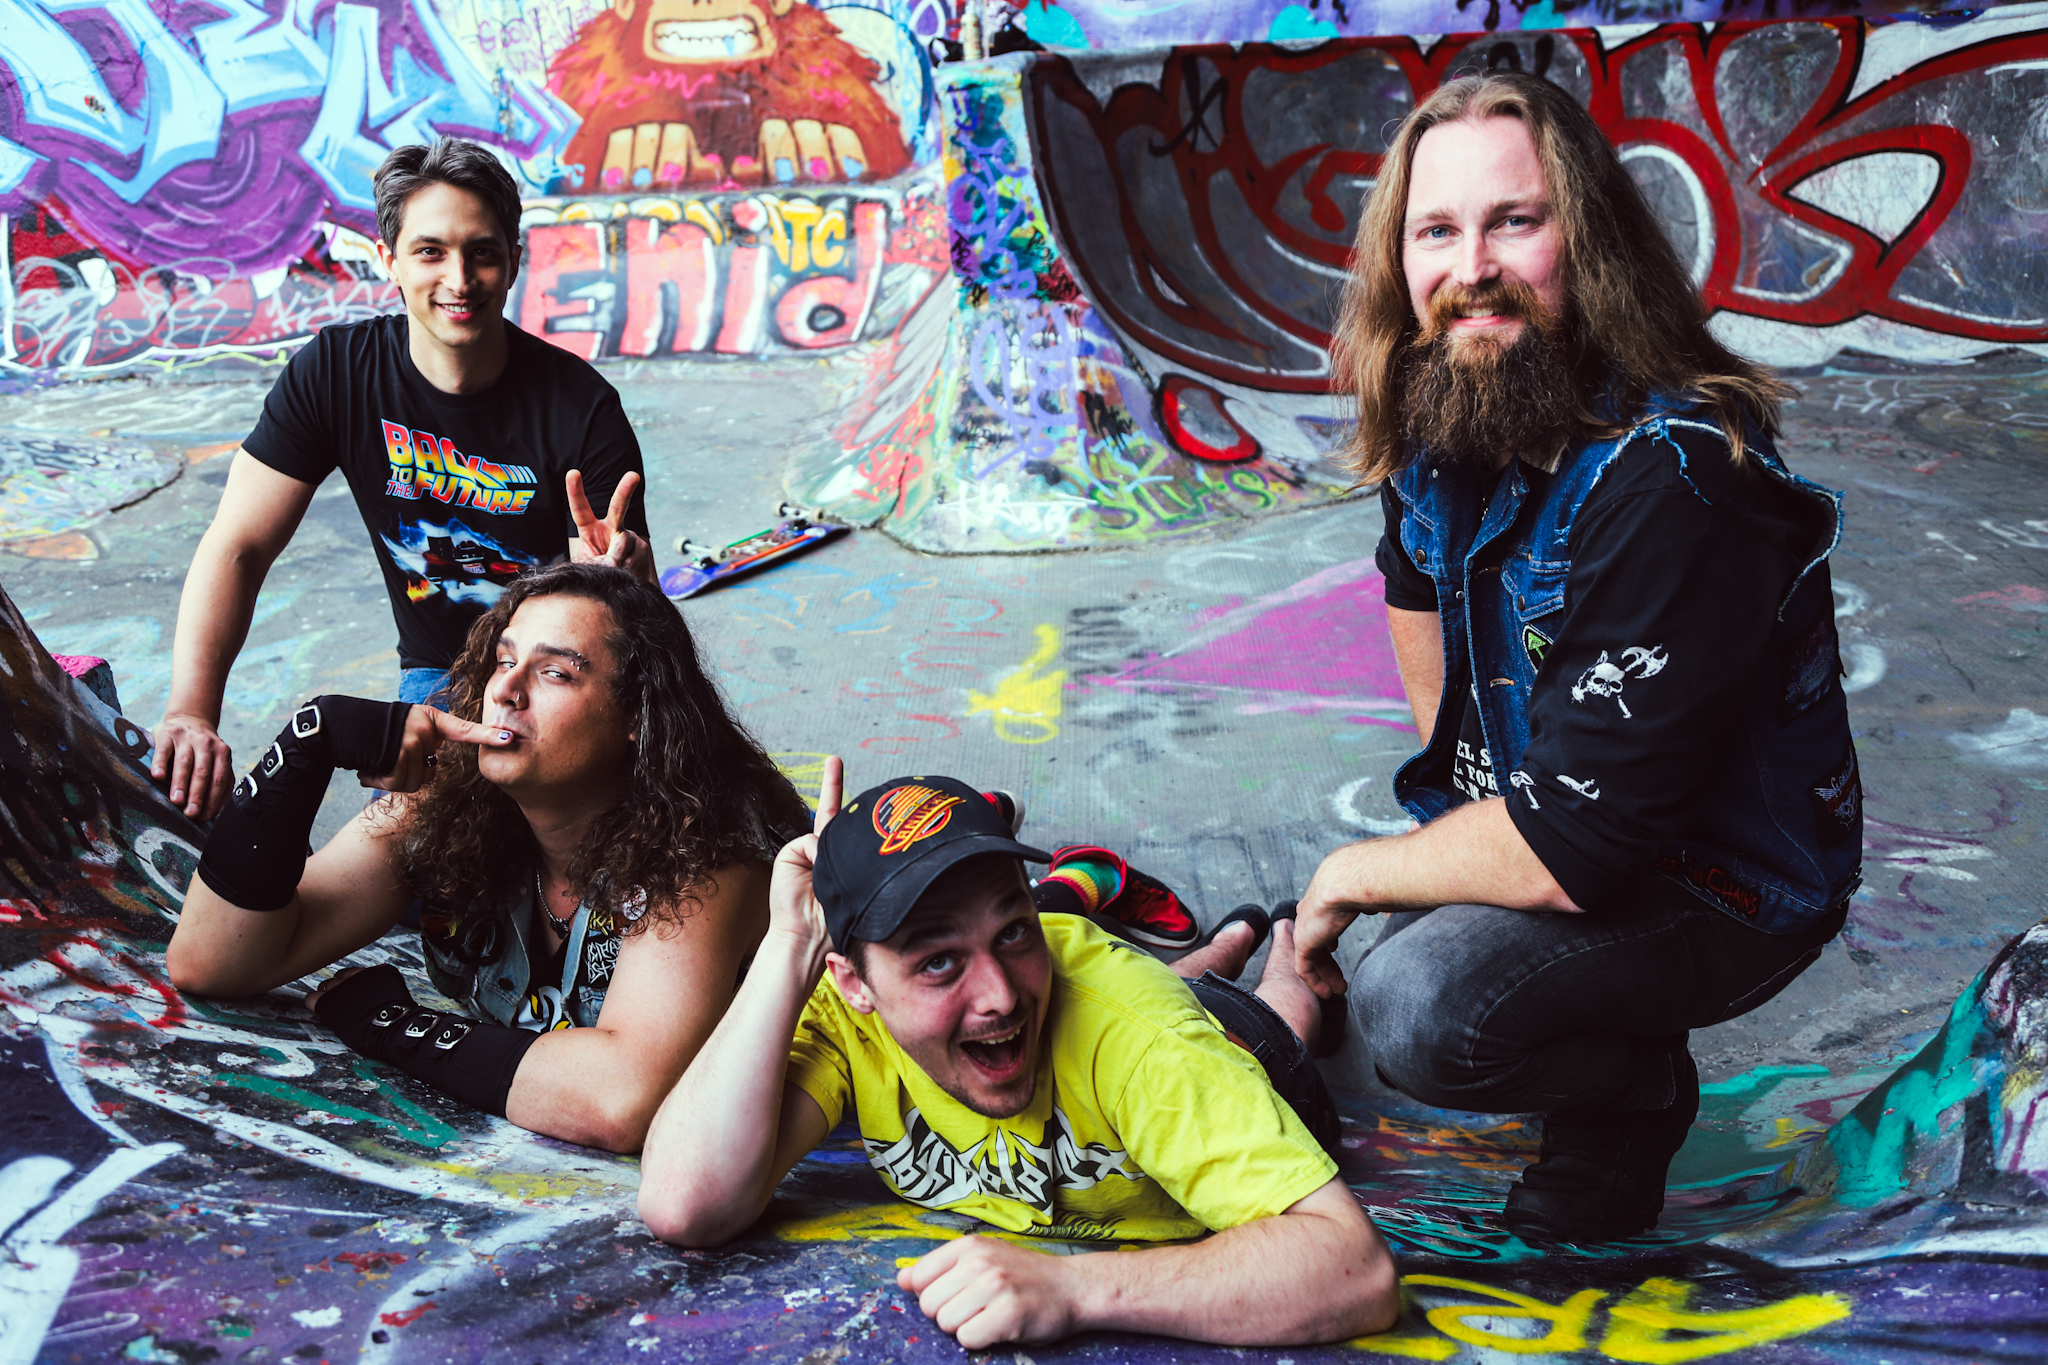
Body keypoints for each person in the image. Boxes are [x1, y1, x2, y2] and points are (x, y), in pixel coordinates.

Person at [1294, 72, 1861, 1244]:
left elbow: (1575, 849)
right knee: (1372, 974)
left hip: (1724, 881)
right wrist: (1454, 853)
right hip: (1573, 821)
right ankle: (1585, 1011)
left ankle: (1631, 1093)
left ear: (1586, 239)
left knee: (1415, 1007)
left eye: (1513, 221)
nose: (1471, 267)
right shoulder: (1450, 409)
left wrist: (1358, 875)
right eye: (1435, 231)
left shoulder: (1675, 477)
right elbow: (1431, 663)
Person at [638, 765, 1398, 1350]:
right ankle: (1225, 937)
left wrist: (1073, 1288)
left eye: (1013, 929)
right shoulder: (846, 1011)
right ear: (853, 981)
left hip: (1238, 1046)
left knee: (1277, 1016)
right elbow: (685, 1202)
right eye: (939, 961)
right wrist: (789, 944)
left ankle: (1283, 940)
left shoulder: (1145, 1042)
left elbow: (1354, 1270)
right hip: (1120, 999)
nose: (1000, 994)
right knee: (1151, 988)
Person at [164, 562, 809, 1151]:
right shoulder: (445, 806)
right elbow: (211, 960)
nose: (508, 691)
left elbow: (620, 1100)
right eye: (503, 661)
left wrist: (390, 1024)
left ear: (638, 717)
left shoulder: (705, 853)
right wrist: (309, 745)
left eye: (555, 672)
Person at [153, 137, 657, 822]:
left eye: (482, 252)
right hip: (439, 669)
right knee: (404, 852)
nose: (460, 278)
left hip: (554, 673)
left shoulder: (581, 408)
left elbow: (618, 638)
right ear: (389, 260)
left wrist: (618, 587)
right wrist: (190, 712)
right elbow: (238, 545)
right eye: (430, 252)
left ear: (514, 261)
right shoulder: (336, 373)